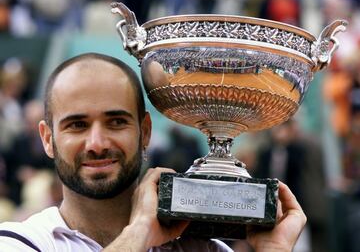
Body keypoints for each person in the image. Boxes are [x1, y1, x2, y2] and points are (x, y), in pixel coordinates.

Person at [0, 53, 306, 251]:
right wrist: (140, 231)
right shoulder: (20, 242)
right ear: (47, 139)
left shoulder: (202, 249)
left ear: (145, 132)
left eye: (116, 122)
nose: (97, 143)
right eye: (77, 125)